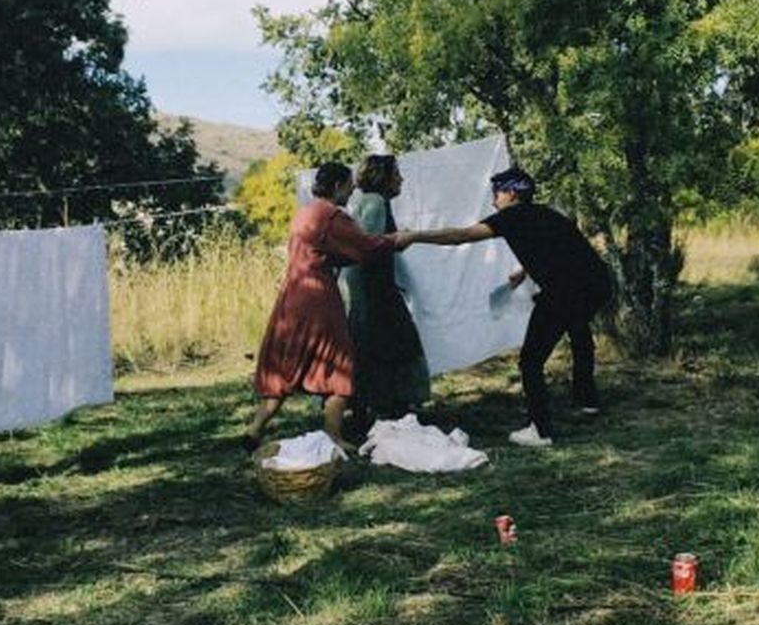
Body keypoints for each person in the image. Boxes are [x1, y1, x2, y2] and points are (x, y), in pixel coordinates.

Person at [405, 166, 611, 447]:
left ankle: (540, 430)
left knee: (530, 361)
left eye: (497, 193)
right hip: (597, 286)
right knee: (579, 331)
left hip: (565, 293)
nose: (493, 200)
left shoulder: (510, 217)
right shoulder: (547, 213)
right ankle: (587, 400)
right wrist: (525, 271)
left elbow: (461, 236)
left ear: (512, 193)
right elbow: (558, 248)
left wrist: (414, 236)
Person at [248, 162, 410, 452]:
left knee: (288, 362)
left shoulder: (305, 214)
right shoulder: (332, 216)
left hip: (292, 293)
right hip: (317, 297)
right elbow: (365, 247)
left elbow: (329, 253)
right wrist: (397, 240)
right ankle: (333, 435)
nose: (352, 190)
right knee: (339, 363)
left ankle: (255, 428)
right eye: (348, 185)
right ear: (336, 186)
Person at [340, 154, 431, 434]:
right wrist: (395, 240)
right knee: (394, 345)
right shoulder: (376, 202)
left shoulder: (368, 202)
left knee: (372, 348)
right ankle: (389, 410)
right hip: (374, 291)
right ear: (384, 177)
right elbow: (369, 247)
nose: (401, 179)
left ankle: (371, 409)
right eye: (397, 174)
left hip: (370, 289)